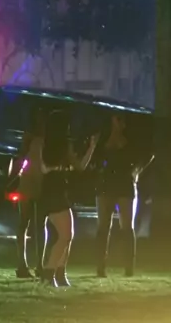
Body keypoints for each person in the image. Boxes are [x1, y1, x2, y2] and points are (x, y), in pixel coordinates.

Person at [36, 111, 96, 287]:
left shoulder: (45, 144)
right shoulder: (61, 145)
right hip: (57, 191)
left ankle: (59, 273)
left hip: (50, 191)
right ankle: (50, 272)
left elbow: (43, 168)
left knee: (66, 235)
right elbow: (79, 166)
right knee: (66, 235)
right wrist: (91, 148)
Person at [88, 114, 142, 277]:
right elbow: (96, 158)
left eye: (120, 120)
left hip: (123, 183)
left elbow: (144, 156)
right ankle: (101, 266)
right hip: (106, 183)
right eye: (116, 119)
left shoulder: (130, 140)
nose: (117, 123)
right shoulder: (104, 138)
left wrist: (136, 170)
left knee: (126, 226)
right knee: (103, 226)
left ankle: (128, 267)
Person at [13, 108, 47, 279]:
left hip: (31, 181)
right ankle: (32, 264)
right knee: (35, 224)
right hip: (35, 182)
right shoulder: (39, 139)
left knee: (27, 223)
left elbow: (20, 158)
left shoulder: (31, 138)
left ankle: (27, 264)